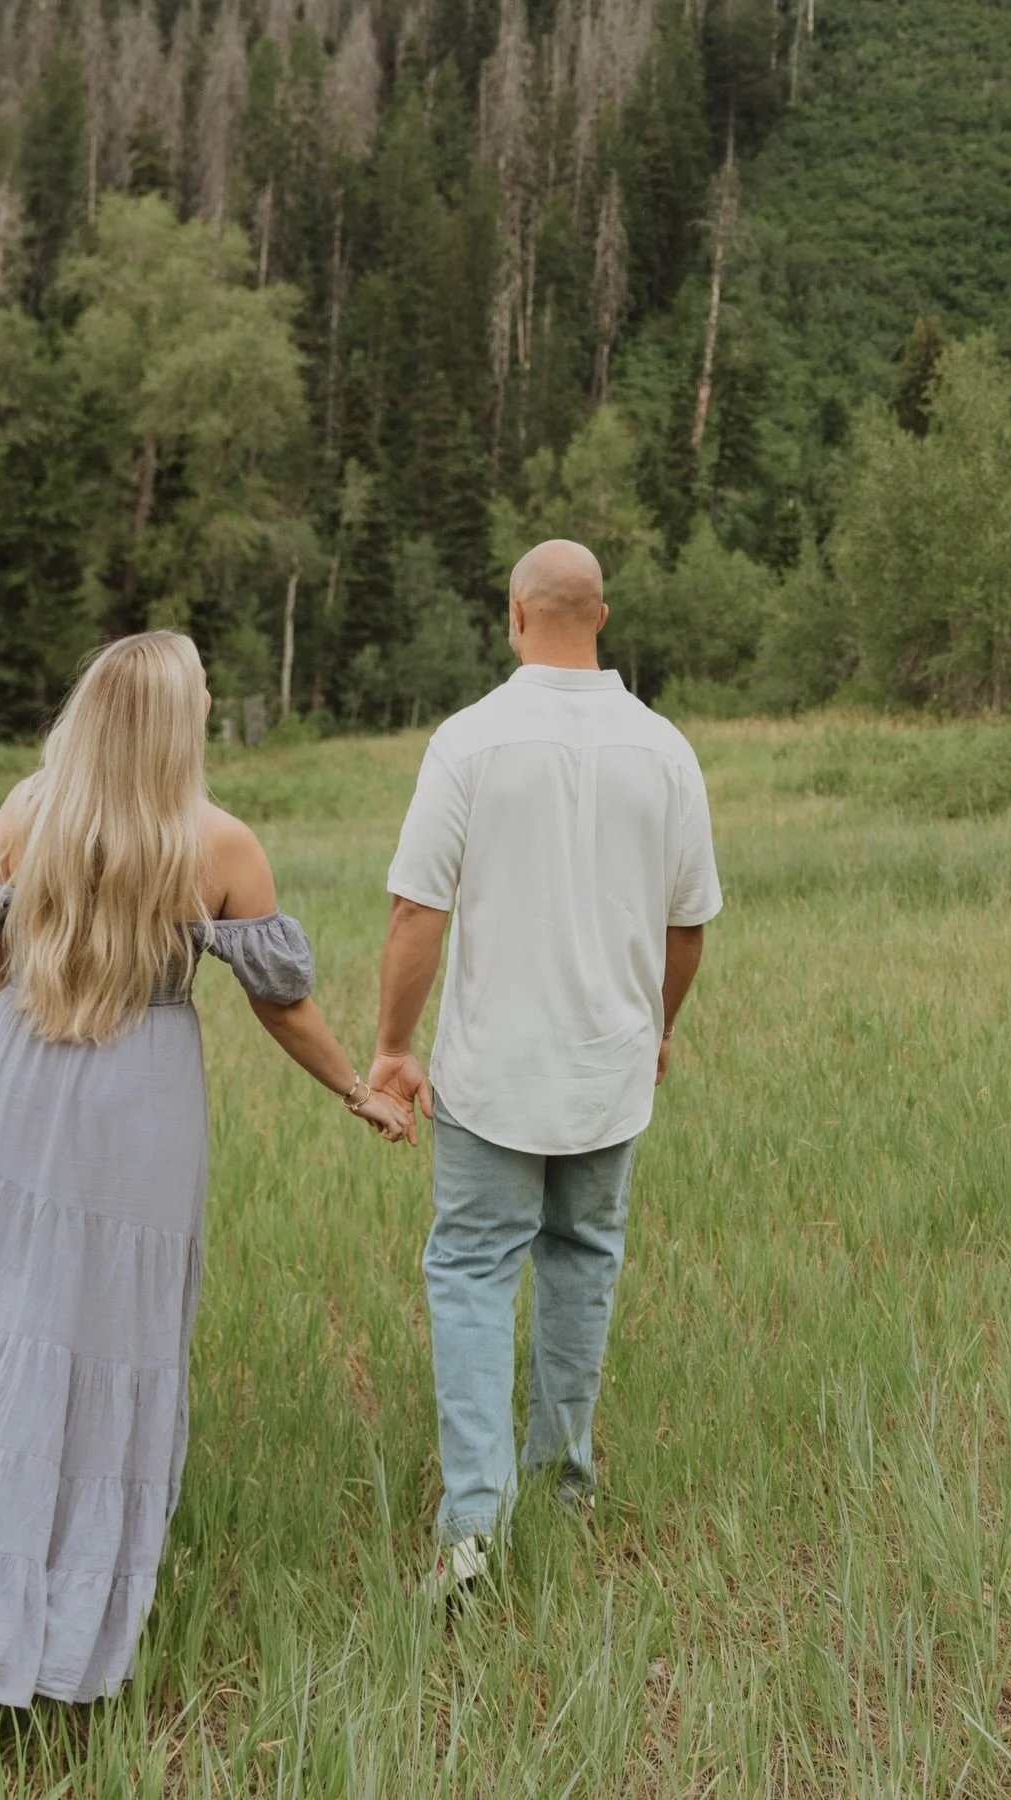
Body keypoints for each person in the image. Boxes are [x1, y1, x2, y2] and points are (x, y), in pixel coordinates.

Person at [0, 631, 408, 1705]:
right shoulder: (217, 844)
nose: (210, 700)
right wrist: (359, 1089)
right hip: (137, 1104)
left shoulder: (33, 810)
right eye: (203, 690)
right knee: (95, 1337)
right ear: (175, 719)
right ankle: (25, 1623)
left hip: (11, 1084)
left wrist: (32, 1038)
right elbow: (283, 1005)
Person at [367, 539, 723, 1590]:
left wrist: (392, 1046)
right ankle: (564, 1481)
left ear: (515, 619)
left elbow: (415, 908)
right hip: (611, 1070)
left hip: (489, 1075)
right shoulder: (665, 749)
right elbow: (689, 922)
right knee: (582, 1262)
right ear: (600, 617)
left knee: (473, 1273)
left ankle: (474, 1526)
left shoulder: (469, 742)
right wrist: (657, 1024)